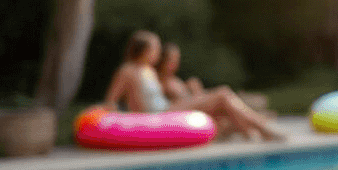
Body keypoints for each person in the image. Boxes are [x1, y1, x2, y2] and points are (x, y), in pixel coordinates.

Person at [105, 30, 283, 141]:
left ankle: (253, 132)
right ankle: (262, 128)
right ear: (144, 50)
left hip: (165, 109)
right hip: (157, 115)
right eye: (155, 49)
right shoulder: (127, 71)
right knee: (222, 93)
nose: (158, 53)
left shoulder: (148, 71)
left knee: (221, 101)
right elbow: (111, 100)